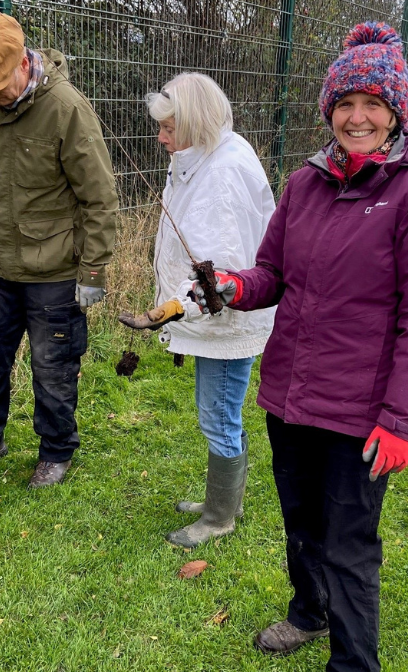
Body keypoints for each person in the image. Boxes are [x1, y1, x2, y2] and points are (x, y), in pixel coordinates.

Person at [194, 23, 408, 671]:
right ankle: (308, 613)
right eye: (345, 103)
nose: (357, 116)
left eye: (372, 104)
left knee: (348, 547)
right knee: (302, 526)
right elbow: (272, 277)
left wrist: (398, 422)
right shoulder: (303, 186)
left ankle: (352, 662)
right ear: (329, 111)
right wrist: (231, 286)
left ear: (396, 112)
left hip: (360, 415)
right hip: (290, 397)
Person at [0, 11, 118, 488]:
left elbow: (100, 197)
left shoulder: (67, 109)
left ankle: (56, 453)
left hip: (55, 271)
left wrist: (92, 272)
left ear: (20, 61)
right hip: (0, 265)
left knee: (53, 369)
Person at [118, 72, 276, 548]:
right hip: (213, 317)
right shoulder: (201, 159)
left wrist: (172, 307)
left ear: (194, 122)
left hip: (227, 321)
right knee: (218, 412)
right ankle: (223, 501)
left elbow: (221, 274)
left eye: (168, 128)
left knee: (219, 413)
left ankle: (220, 517)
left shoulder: (224, 173)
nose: (161, 137)